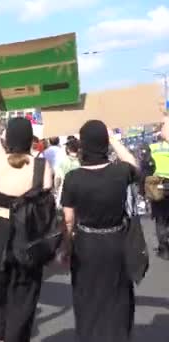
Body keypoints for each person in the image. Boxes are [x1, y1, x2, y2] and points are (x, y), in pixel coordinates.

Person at [0, 72, 53, 342]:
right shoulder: (42, 165)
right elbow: (48, 199)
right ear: (30, 139)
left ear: (8, 138)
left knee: (0, 292)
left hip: (1, 231)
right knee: (25, 294)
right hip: (29, 236)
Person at [60, 120, 139, 342]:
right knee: (118, 294)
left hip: (86, 243)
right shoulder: (120, 172)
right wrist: (114, 140)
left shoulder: (73, 178)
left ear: (83, 145)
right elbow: (134, 164)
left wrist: (66, 248)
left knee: (87, 296)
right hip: (117, 241)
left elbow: (68, 220)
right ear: (104, 143)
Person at [148, 119, 169, 260]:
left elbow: (145, 167)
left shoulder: (153, 147)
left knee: (160, 219)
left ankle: (164, 249)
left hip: (158, 185)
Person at [54, 138, 81, 208]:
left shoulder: (63, 161)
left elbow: (57, 178)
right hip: (79, 192)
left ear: (68, 149)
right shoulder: (82, 161)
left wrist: (56, 189)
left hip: (64, 191)